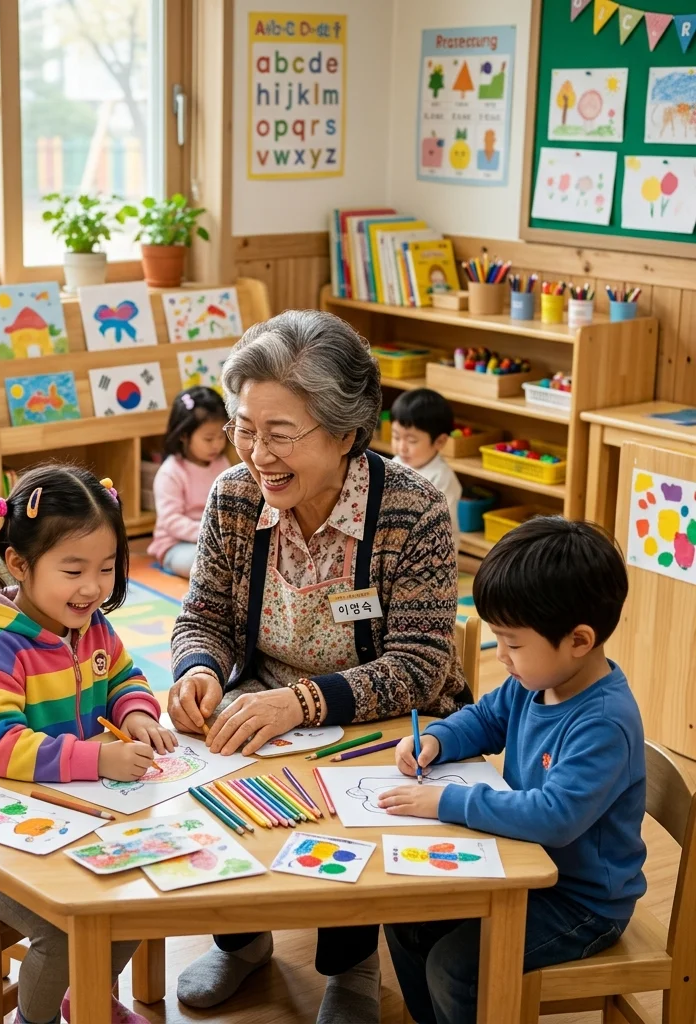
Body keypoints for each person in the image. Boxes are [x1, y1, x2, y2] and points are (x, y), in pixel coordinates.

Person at [167, 309, 470, 1023]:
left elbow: (421, 665)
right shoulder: (234, 497)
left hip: (383, 714)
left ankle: (351, 962)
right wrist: (199, 668)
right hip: (264, 695)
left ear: (345, 433)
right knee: (210, 767)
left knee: (351, 797)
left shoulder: (413, 510)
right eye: (245, 428)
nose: (257, 454)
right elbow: (202, 615)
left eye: (280, 434)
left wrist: (301, 703)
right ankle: (242, 940)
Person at [381, 517, 645, 1024]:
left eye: (513, 643)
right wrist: (437, 739)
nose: (500, 656)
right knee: (405, 916)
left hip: (580, 903)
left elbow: (553, 816)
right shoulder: (536, 682)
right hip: (521, 870)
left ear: (579, 640)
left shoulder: (604, 722)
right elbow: (485, 719)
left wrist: (446, 801)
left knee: (456, 969)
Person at [0, 464, 177, 1024]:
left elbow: (124, 676)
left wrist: (136, 713)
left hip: (69, 815)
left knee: (135, 894)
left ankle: (87, 999)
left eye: (106, 568)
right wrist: (98, 757)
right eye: (73, 570)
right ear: (20, 564)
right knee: (63, 932)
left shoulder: (90, 625)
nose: (92, 587)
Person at [147, 386, 230, 578]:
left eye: (221, 436)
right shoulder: (171, 472)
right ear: (184, 435)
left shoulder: (222, 463)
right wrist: (207, 532)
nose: (217, 444)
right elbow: (171, 521)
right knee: (207, 565)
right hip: (176, 545)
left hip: (216, 540)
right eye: (208, 439)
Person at [390, 388, 462, 551]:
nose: (402, 447)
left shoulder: (442, 478)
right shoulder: (396, 463)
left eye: (412, 441)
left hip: (433, 550)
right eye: (396, 437)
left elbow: (439, 527)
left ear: (440, 441)